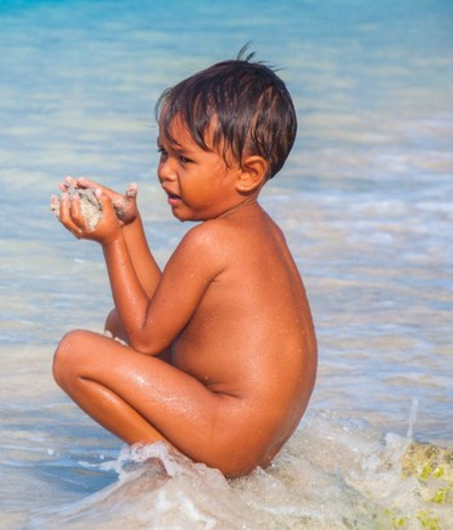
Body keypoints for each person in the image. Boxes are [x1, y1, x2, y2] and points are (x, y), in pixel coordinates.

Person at [49, 50, 317, 478]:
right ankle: (185, 459)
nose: (165, 172)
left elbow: (145, 341)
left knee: (73, 354)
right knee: (117, 319)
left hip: (229, 437)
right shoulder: (257, 230)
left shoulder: (208, 241)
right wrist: (130, 226)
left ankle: (167, 465)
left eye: (185, 159)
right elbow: (161, 313)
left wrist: (111, 243)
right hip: (257, 443)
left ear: (248, 173)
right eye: (163, 153)